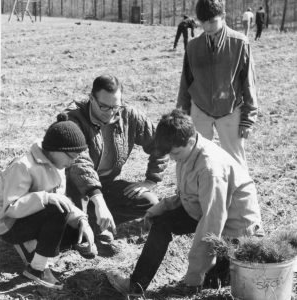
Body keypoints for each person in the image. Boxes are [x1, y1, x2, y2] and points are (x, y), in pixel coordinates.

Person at [106, 109, 264, 298]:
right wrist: (160, 208)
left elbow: (212, 223)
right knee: (162, 223)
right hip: (206, 212)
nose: (172, 158)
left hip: (234, 232)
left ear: (190, 141)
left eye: (175, 153)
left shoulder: (210, 168)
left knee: (213, 283)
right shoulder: (187, 152)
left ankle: (215, 274)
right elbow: (187, 195)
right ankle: (135, 286)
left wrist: (194, 276)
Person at [65, 74, 168, 255]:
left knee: (149, 202)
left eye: (115, 106)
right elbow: (80, 163)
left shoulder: (128, 115)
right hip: (73, 188)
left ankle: (96, 224)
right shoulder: (72, 119)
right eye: (104, 106)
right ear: (91, 98)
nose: (110, 112)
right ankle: (85, 226)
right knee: (68, 238)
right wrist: (99, 202)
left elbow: (161, 143)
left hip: (105, 185)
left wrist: (151, 180)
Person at [0, 113, 97, 290]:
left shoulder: (57, 165)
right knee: (57, 210)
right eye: (72, 156)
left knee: (76, 231)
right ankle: (37, 269)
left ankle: (34, 247)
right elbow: (10, 208)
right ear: (56, 150)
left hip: (34, 217)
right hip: (10, 225)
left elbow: (62, 199)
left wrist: (82, 220)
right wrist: (45, 197)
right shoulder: (23, 166)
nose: (74, 161)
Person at [176, 0, 257, 171]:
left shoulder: (240, 43)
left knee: (235, 161)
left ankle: (239, 196)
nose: (207, 27)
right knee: (195, 157)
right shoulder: (193, 46)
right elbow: (185, 82)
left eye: (212, 21)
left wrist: (248, 120)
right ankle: (195, 194)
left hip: (230, 108)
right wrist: (181, 115)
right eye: (203, 22)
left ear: (223, 16)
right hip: (200, 108)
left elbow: (249, 82)